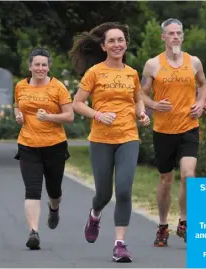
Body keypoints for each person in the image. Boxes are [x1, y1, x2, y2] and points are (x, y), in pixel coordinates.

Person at [70, 22, 150, 263]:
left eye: (121, 40)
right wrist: (98, 115)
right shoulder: (94, 72)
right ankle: (95, 214)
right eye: (112, 41)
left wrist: (142, 114)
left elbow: (137, 99)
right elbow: (77, 103)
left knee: (124, 190)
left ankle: (119, 245)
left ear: (126, 44)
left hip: (128, 137)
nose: (117, 44)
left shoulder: (132, 73)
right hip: (101, 139)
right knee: (104, 193)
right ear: (104, 46)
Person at [140, 18, 206, 246]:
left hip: (189, 127)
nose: (176, 37)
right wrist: (153, 105)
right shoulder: (153, 65)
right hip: (163, 130)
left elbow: (203, 85)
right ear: (163, 37)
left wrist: (200, 103)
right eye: (171, 33)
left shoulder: (194, 62)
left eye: (179, 33)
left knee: (189, 174)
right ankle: (162, 226)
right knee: (165, 180)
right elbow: (141, 95)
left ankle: (184, 222)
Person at [14, 47, 74, 250]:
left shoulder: (58, 87)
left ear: (49, 67)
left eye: (44, 65)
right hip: (28, 145)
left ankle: (54, 208)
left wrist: (49, 117)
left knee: (54, 190)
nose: (40, 68)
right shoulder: (21, 86)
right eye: (37, 64)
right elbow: (18, 105)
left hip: (54, 145)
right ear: (30, 66)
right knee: (32, 190)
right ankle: (34, 232)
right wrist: (18, 116)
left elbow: (70, 116)